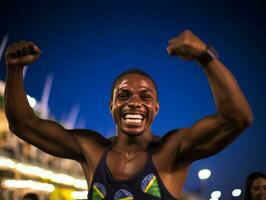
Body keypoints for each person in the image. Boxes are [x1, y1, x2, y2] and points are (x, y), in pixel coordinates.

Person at [4, 30, 253, 200]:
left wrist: (204, 56)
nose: (134, 103)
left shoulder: (172, 151)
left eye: (145, 97)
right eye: (123, 96)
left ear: (156, 108)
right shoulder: (91, 149)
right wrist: (14, 70)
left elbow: (237, 118)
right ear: (111, 106)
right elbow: (24, 124)